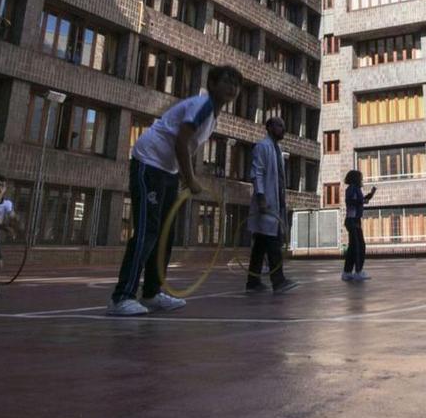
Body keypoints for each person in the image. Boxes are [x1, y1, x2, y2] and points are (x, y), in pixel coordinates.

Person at [107, 66, 242, 316]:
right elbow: (181, 140)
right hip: (149, 163)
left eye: (236, 84)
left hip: (167, 171)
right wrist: (190, 178)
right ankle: (121, 296)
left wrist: (180, 174)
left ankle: (151, 293)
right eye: (226, 81)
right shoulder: (202, 105)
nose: (232, 87)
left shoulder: (212, 116)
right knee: (148, 230)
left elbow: (188, 145)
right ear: (212, 84)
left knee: (164, 235)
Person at [247, 117, 299, 294]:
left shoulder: (278, 149)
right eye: (279, 126)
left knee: (260, 245)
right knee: (273, 243)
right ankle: (278, 281)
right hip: (266, 204)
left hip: (276, 204)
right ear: (268, 127)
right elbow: (257, 172)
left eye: (284, 126)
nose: (283, 129)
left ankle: (252, 283)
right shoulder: (263, 147)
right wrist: (261, 196)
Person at [341, 170, 376, 281]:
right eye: (360, 178)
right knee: (359, 246)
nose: (361, 180)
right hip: (353, 220)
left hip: (354, 220)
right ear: (355, 179)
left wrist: (370, 195)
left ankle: (347, 272)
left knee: (353, 247)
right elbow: (351, 201)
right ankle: (358, 271)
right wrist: (362, 201)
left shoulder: (355, 189)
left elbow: (360, 200)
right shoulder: (352, 188)